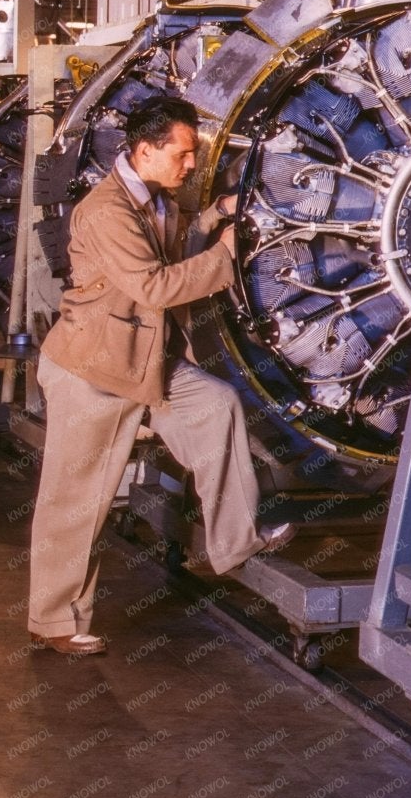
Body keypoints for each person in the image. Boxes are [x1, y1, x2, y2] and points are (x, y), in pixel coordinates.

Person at [27, 96, 291, 656]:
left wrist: (216, 214)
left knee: (216, 405)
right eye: (185, 153)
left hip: (145, 359)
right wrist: (224, 253)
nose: (191, 164)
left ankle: (234, 543)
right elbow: (154, 286)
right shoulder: (105, 212)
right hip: (93, 369)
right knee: (77, 499)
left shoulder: (152, 198)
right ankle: (53, 622)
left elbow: (174, 234)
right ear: (146, 150)